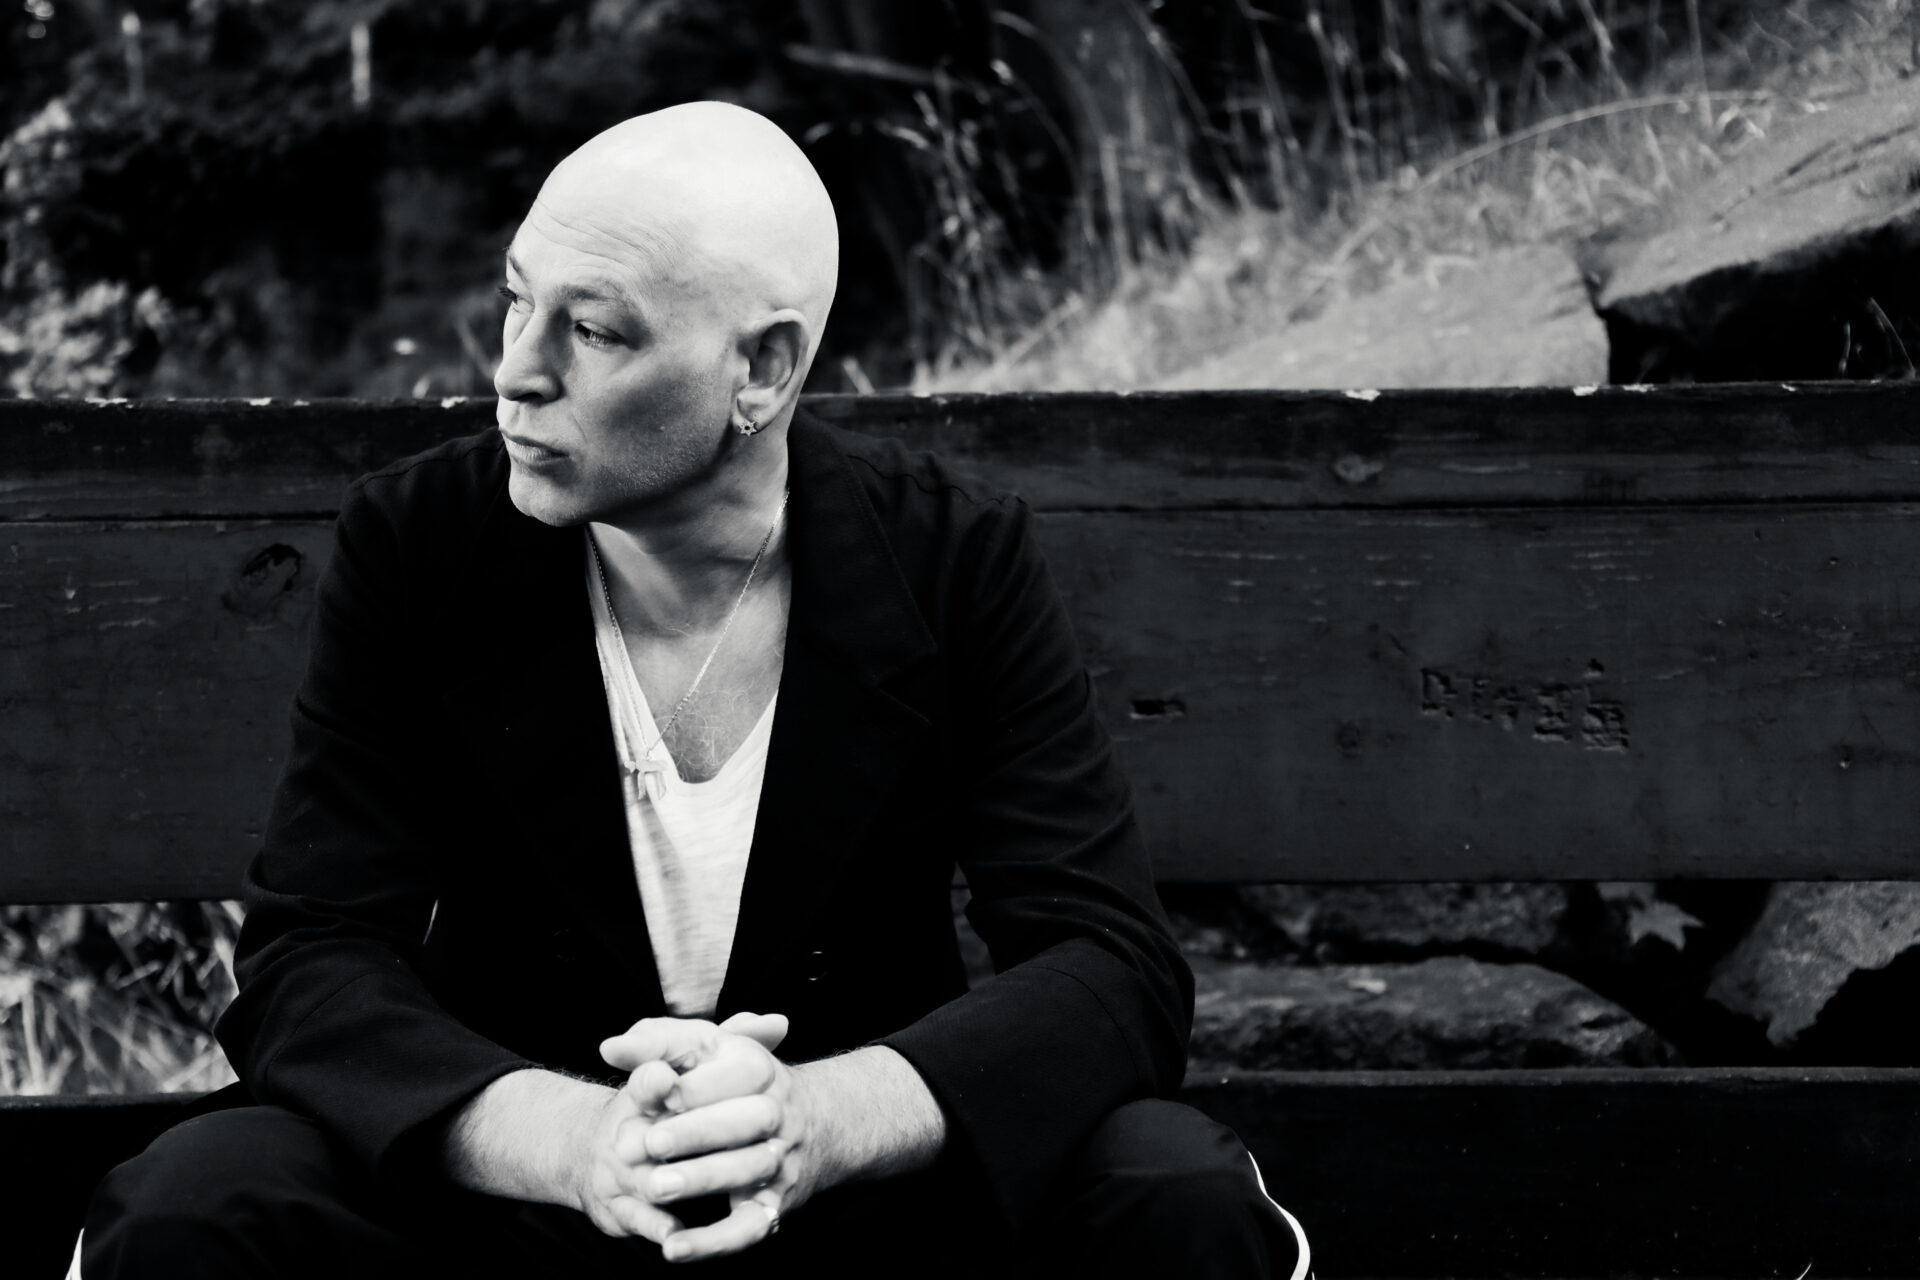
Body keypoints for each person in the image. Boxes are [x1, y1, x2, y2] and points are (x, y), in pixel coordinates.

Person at [78, 102, 1308, 1278]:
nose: (515, 372)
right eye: (517, 300)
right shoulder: (423, 545)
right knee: (202, 1200)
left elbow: (1108, 961)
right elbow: (313, 954)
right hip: (519, 1207)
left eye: (594, 331)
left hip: (862, 1213)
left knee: (1174, 1192)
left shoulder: (949, 557)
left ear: (764, 368)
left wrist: (817, 1119)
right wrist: (573, 1143)